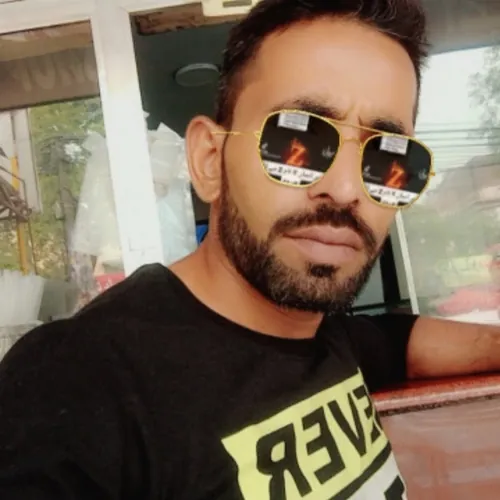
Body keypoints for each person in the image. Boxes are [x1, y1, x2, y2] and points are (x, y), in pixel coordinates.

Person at [1, 0, 500, 498]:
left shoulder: (321, 333)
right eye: (295, 144)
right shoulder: (77, 382)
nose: (347, 189)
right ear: (210, 160)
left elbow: (398, 341)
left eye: (388, 162)